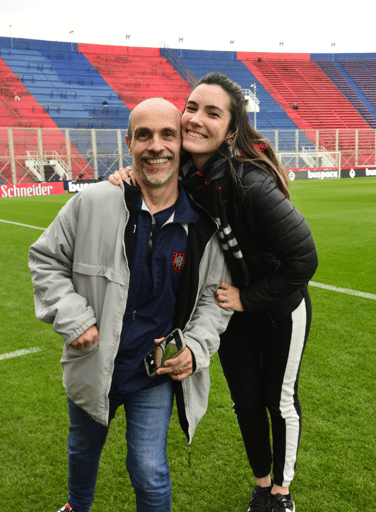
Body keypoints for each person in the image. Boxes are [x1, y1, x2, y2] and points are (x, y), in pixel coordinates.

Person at [111, 72, 318, 512]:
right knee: (245, 401)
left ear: (231, 128)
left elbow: (304, 261)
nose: (196, 119)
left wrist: (249, 298)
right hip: (232, 305)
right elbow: (156, 169)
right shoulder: (190, 173)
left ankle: (281, 494)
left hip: (281, 305)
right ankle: (262, 484)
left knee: (278, 400)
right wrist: (130, 173)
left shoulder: (250, 182)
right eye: (191, 107)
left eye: (212, 112)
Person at [29, 97, 231, 512]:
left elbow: (215, 299)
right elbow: (45, 259)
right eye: (144, 136)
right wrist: (73, 317)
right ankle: (76, 506)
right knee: (82, 450)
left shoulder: (203, 226)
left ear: (182, 144)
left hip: (153, 370)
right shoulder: (93, 202)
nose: (155, 146)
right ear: (129, 143)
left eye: (167, 135)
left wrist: (195, 346)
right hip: (93, 358)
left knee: (150, 470)